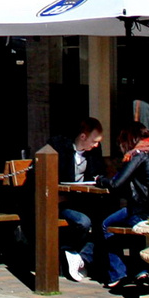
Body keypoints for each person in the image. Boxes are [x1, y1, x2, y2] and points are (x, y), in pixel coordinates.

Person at [84, 123, 149, 289]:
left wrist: (99, 180)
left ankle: (117, 275)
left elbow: (115, 184)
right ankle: (140, 270)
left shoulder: (139, 154)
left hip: (145, 212)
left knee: (106, 224)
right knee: (131, 225)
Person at [46, 117, 104, 281]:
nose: (97, 145)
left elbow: (98, 173)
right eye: (94, 140)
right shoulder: (59, 147)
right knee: (83, 221)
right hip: (60, 201)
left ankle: (79, 257)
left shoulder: (94, 153)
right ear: (83, 137)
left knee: (105, 222)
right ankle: (69, 249)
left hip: (83, 200)